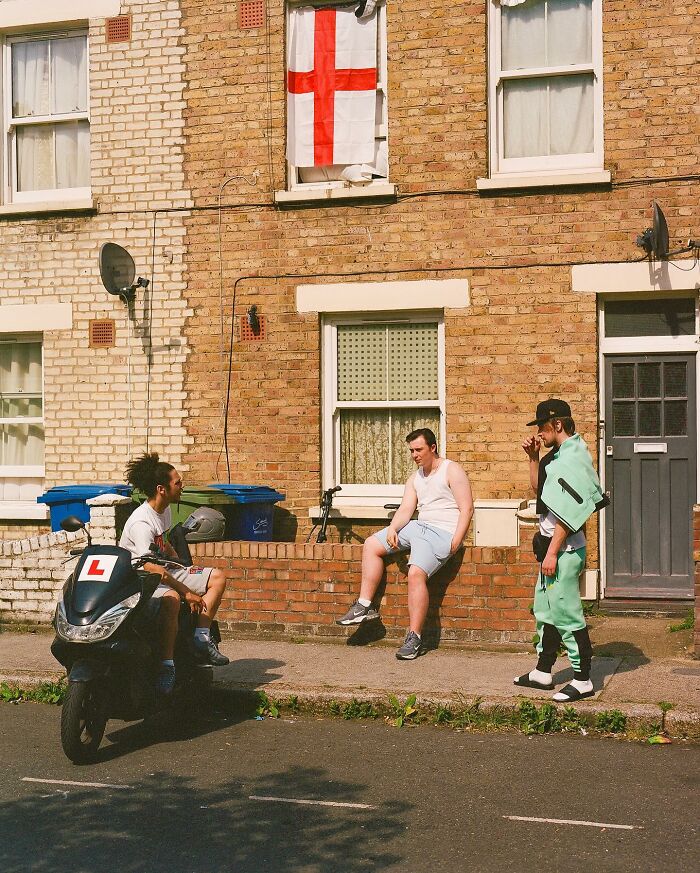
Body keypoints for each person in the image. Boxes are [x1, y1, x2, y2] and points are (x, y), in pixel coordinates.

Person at [336, 428, 473, 660]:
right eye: (411, 451)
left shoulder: (452, 470)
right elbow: (406, 509)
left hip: (443, 532)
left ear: (433, 448)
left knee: (415, 573)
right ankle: (364, 605)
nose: (414, 455)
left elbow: (467, 508)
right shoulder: (416, 478)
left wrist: (456, 540)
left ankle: (414, 637)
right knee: (371, 544)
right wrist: (392, 528)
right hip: (420, 526)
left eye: (419, 449)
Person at [515, 400, 607, 702]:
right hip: (551, 548)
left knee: (567, 613)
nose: (539, 433)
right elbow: (541, 494)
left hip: (564, 549)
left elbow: (572, 511)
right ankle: (543, 671)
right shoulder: (556, 456)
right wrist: (533, 457)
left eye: (542, 427)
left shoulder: (573, 457)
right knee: (546, 611)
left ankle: (583, 679)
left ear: (557, 424)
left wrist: (553, 552)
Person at [120, 453, 230, 695]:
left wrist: (181, 563)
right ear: (162, 489)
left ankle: (201, 638)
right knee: (171, 600)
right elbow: (148, 566)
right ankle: (167, 666)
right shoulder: (141, 523)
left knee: (217, 577)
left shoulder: (165, 510)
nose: (182, 486)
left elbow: (164, 543)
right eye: (178, 482)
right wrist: (188, 592)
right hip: (142, 579)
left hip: (165, 570)